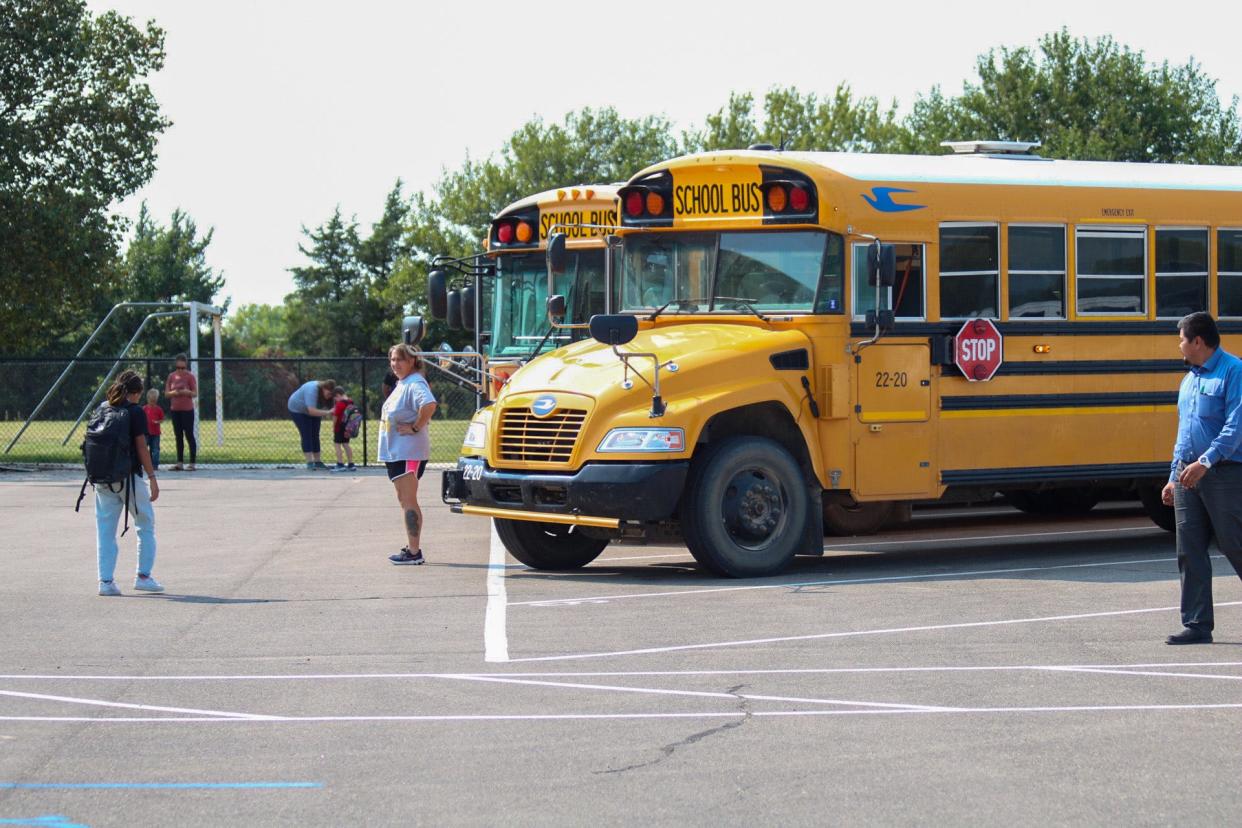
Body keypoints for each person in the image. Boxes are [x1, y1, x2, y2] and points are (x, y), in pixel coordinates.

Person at [1161, 311, 1242, 644]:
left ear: (1198, 341)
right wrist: (1172, 476)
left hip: (1223, 473)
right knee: (1189, 548)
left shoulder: (1234, 371)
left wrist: (1206, 462)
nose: (1179, 345)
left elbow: (1236, 427)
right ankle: (1196, 624)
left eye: (1182, 339)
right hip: (1186, 476)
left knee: (1235, 544)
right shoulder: (1189, 379)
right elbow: (1184, 432)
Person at [94, 370, 163, 596]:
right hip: (129, 478)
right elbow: (142, 447)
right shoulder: (135, 412)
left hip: (102, 478)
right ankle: (143, 576)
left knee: (105, 530)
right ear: (137, 392)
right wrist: (152, 478)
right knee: (145, 524)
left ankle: (105, 582)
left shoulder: (103, 407)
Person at [379, 344, 437, 565]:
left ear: (412, 361)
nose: (395, 364)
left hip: (407, 452)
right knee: (404, 500)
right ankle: (412, 549)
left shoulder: (415, 382)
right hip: (397, 452)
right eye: (392, 360)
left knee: (409, 500)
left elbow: (429, 404)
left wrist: (414, 427)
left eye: (400, 360)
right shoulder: (403, 383)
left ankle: (414, 552)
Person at [287, 378, 336, 469]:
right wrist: (328, 412)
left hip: (313, 409)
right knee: (307, 434)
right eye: (328, 393)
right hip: (298, 410)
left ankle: (317, 461)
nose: (330, 396)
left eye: (331, 394)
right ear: (323, 389)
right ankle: (310, 462)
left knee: (315, 434)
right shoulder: (312, 390)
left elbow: (334, 408)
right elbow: (312, 411)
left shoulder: (328, 395)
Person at [165, 353, 198, 471]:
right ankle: (179, 462)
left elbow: (195, 393)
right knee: (178, 436)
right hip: (175, 410)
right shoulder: (171, 376)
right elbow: (167, 393)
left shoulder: (190, 377)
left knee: (189, 435)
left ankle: (192, 463)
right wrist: (174, 393)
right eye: (178, 368)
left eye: (182, 368)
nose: (180, 370)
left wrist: (186, 392)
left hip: (187, 410)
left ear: (186, 366)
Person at [330, 385, 358, 472]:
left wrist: (333, 426)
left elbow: (335, 417)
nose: (335, 400)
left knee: (337, 445)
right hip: (347, 428)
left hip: (339, 428)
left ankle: (340, 463)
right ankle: (351, 463)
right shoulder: (350, 402)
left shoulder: (339, 404)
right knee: (346, 444)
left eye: (335, 398)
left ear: (338, 395)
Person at [143, 387, 165, 470]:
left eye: (154, 401)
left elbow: (162, 419)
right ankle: (146, 464)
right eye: (151, 401)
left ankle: (155, 465)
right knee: (145, 449)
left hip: (155, 433)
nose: (152, 403)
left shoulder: (159, 409)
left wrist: (158, 421)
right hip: (146, 433)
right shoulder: (144, 408)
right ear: (148, 399)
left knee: (155, 450)